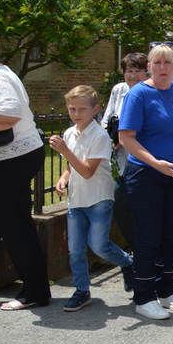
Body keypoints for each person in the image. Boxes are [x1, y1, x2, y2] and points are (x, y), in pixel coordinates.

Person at [118, 43, 173, 320]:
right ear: (149, 66)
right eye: (157, 63)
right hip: (145, 174)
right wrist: (155, 162)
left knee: (170, 235)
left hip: (172, 174)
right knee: (148, 237)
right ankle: (144, 297)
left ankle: (167, 291)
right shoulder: (139, 94)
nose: (163, 68)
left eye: (168, 62)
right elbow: (125, 138)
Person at [0, 26, 50, 310]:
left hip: (12, 159)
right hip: (4, 161)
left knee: (14, 226)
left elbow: (9, 114)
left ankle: (35, 292)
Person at [50, 86, 135, 311]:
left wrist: (65, 151)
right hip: (76, 199)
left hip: (98, 197)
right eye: (72, 109)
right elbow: (72, 166)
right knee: (75, 249)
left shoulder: (99, 136)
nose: (76, 113)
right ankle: (82, 290)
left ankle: (127, 262)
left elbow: (88, 171)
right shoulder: (70, 134)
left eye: (82, 109)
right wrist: (64, 177)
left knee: (99, 245)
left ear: (95, 109)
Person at [101, 52, 147, 252]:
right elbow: (106, 120)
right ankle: (138, 251)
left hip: (145, 163)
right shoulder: (118, 90)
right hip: (121, 164)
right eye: (129, 71)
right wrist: (110, 136)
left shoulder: (151, 92)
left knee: (142, 209)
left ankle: (149, 253)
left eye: (138, 71)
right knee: (119, 204)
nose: (133, 76)